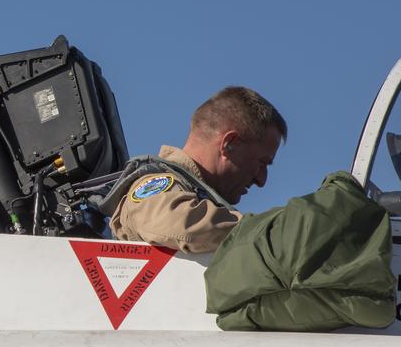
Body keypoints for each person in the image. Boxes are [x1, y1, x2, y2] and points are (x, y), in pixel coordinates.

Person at [106, 86, 286, 253]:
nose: (262, 180)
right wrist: (272, 233)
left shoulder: (199, 199)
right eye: (262, 163)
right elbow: (175, 223)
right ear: (229, 144)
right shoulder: (154, 185)